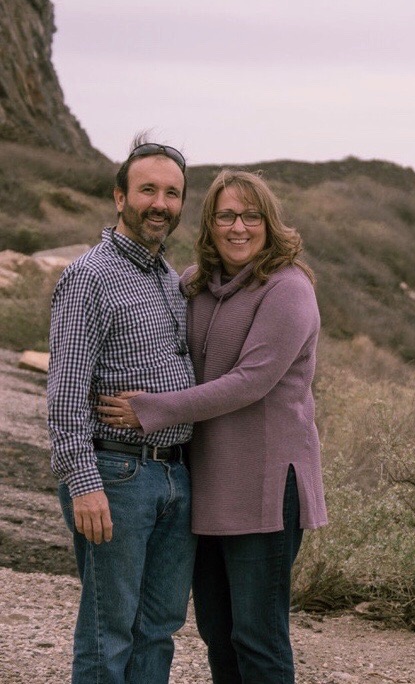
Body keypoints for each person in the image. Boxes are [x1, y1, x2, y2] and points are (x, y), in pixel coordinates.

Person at [98, 169, 328, 684]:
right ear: (210, 224)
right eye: (226, 216)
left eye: (251, 216)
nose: (238, 227)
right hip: (207, 486)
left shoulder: (288, 289)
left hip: (267, 486)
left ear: (269, 223)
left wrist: (153, 409)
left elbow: (250, 381)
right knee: (217, 633)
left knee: (258, 637)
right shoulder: (196, 283)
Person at [47, 135, 197, 684]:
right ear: (119, 197)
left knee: (158, 628)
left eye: (172, 193)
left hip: (175, 475)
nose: (160, 203)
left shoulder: (169, 279)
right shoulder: (90, 276)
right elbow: (65, 393)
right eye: (147, 190)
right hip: (116, 475)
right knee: (108, 631)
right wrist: (84, 483)